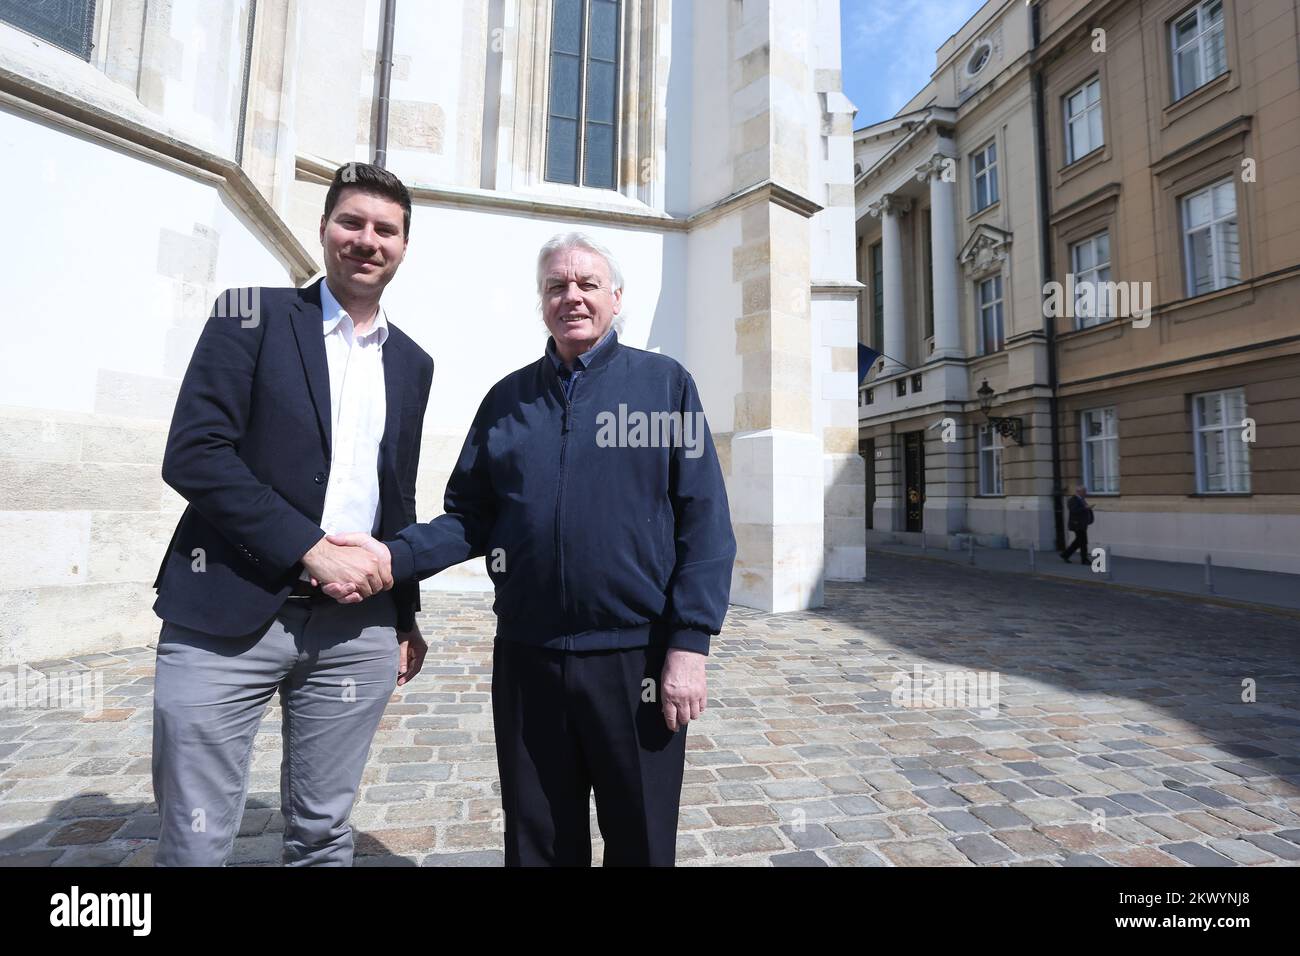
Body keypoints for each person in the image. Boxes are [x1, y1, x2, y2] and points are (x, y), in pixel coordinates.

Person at [322, 232, 736, 866]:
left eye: (587, 284)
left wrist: (690, 644)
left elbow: (704, 521)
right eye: (556, 286)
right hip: (528, 658)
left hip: (636, 660)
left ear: (616, 298)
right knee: (537, 839)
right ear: (542, 303)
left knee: (643, 841)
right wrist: (389, 558)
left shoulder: (664, 386)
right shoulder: (505, 401)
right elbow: (469, 518)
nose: (571, 296)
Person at [150, 162, 433, 865]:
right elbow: (195, 454)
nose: (367, 240)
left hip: (355, 630)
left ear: (403, 246)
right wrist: (309, 548)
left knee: (323, 832)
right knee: (196, 836)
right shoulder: (250, 314)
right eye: (352, 222)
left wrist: (404, 616)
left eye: (385, 229)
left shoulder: (415, 362)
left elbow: (396, 495)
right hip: (227, 611)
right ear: (325, 230)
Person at [1061, 484, 1094, 565]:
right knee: (1083, 542)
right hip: (1077, 524)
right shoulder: (1073, 500)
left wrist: (1088, 510)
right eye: (1084, 491)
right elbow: (1074, 510)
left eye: (1085, 491)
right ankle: (1084, 560)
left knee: (1078, 542)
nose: (1085, 493)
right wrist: (1086, 508)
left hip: (1082, 524)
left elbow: (1083, 509)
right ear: (1079, 492)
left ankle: (1065, 555)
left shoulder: (1081, 499)